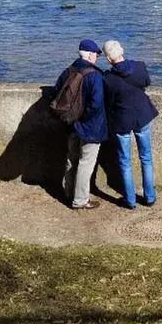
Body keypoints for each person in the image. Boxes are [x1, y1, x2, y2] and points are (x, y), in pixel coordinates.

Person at [101, 39, 159, 209]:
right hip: (142, 115)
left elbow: (109, 100)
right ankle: (149, 197)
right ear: (122, 50)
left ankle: (130, 200)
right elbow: (146, 82)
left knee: (124, 161)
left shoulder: (108, 78)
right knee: (146, 157)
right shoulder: (140, 67)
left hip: (122, 120)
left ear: (108, 59)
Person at [55, 38, 107, 210]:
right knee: (86, 163)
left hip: (70, 124)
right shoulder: (94, 75)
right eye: (96, 55)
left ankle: (68, 192)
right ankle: (80, 200)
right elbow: (97, 104)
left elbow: (57, 92)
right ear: (91, 55)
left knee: (72, 159)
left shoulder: (68, 71)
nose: (96, 58)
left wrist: (73, 117)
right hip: (90, 127)